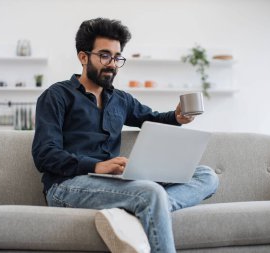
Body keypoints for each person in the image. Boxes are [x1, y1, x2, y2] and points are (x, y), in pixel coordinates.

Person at [32, 17, 219, 253]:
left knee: (206, 176)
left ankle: (138, 213)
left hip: (114, 184)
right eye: (104, 55)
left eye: (117, 57)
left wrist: (176, 117)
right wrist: (97, 165)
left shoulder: (121, 99)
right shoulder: (56, 96)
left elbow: (150, 118)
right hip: (66, 186)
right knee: (150, 193)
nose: (112, 63)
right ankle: (146, 206)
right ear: (83, 57)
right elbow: (44, 154)